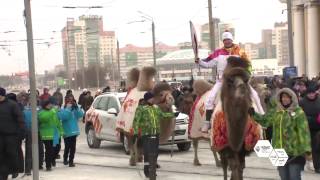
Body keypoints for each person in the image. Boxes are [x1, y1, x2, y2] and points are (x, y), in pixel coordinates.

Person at [195, 31, 264, 132]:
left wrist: (247, 75)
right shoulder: (218, 53)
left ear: (232, 40)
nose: (227, 41)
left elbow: (248, 64)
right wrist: (199, 61)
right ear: (223, 41)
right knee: (210, 98)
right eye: (225, 40)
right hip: (222, 80)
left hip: (238, 79)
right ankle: (207, 122)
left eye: (228, 39)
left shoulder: (240, 51)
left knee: (255, 95)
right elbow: (208, 63)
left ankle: (262, 117)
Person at [252, 88, 311, 180]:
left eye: (287, 97)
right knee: (284, 177)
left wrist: (306, 149)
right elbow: (265, 121)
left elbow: (304, 132)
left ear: (292, 98)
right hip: (279, 152)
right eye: (283, 97)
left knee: (294, 177)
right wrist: (253, 114)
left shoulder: (298, 113)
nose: (285, 99)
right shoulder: (276, 112)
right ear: (279, 98)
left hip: (294, 153)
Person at [132, 92, 178, 179]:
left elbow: (163, 115)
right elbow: (136, 121)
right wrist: (135, 133)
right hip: (146, 134)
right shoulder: (141, 109)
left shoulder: (156, 108)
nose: (153, 99)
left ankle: (153, 171)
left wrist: (173, 115)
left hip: (156, 134)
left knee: (155, 153)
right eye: (152, 98)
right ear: (148, 99)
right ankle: (147, 170)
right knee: (147, 153)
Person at [0, 87, 25, 180]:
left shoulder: (12, 105)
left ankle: (13, 171)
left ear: (2, 95)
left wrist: (22, 133)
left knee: (11, 154)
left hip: (11, 135)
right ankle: (3, 174)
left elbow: (20, 120)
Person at [299, 82, 320, 173]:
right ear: (307, 93)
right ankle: (301, 164)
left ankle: (317, 166)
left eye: (312, 93)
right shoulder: (302, 102)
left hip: (318, 128)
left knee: (316, 148)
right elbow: (299, 114)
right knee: (306, 147)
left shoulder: (319, 100)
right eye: (309, 93)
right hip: (306, 128)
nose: (311, 95)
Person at [38, 100, 63, 171]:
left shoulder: (53, 112)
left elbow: (57, 122)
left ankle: (52, 160)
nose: (50, 106)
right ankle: (48, 165)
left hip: (54, 134)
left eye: (50, 104)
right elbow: (44, 119)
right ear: (45, 105)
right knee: (49, 150)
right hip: (46, 135)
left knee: (56, 148)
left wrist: (61, 131)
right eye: (49, 105)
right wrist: (52, 112)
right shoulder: (42, 112)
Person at [59, 96, 84, 167]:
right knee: (67, 147)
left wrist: (77, 107)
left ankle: (71, 161)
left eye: (72, 100)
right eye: (69, 100)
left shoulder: (74, 109)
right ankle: (65, 159)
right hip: (67, 132)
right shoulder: (63, 109)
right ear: (66, 101)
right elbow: (63, 117)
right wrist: (68, 108)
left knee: (73, 148)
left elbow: (81, 114)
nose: (71, 102)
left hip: (74, 132)